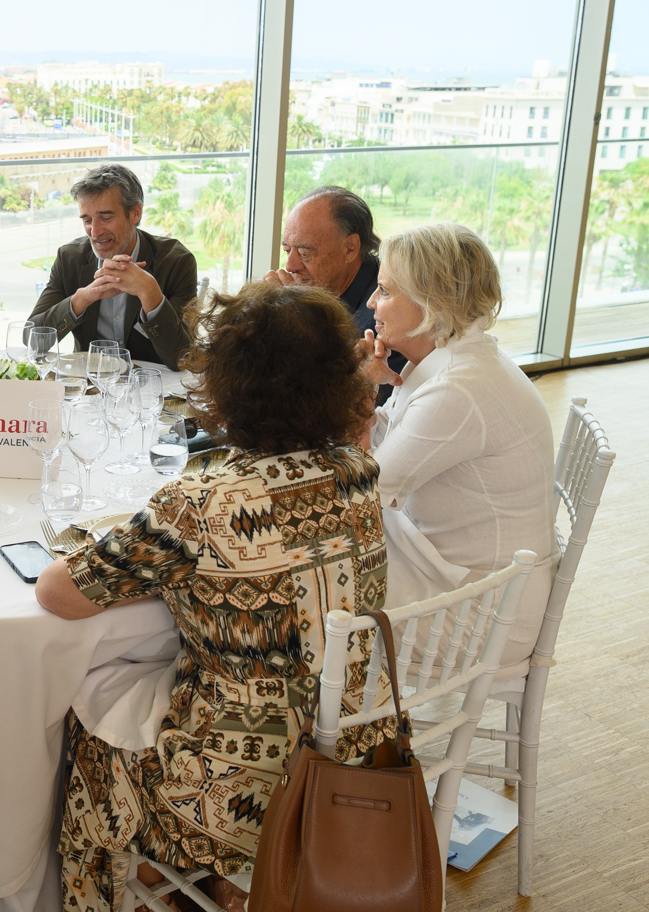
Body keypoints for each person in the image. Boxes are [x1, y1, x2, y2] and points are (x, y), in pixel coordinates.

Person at [36, 282, 395, 912]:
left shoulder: (200, 503)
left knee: (87, 727)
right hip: (352, 766)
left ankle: (133, 887)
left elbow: (59, 594)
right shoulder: (359, 472)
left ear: (226, 380)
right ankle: (212, 885)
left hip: (232, 799)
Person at [361, 222, 554, 667]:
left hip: (485, 616)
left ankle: (320, 725)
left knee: (303, 589)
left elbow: (363, 494)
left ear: (431, 304)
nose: (371, 303)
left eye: (385, 291)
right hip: (460, 574)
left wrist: (359, 395)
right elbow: (376, 448)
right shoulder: (446, 359)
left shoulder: (458, 388)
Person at [28, 163, 196, 369]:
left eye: (105, 217)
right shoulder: (70, 258)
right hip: (89, 386)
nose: (95, 232)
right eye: (87, 220)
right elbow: (32, 339)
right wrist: (81, 299)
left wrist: (150, 293)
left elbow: (183, 358)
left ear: (135, 213)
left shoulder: (176, 262)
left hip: (151, 387)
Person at [264, 185, 405, 400]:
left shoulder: (382, 317)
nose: (290, 265)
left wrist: (293, 321)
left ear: (350, 248)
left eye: (304, 253)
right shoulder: (324, 294)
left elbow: (319, 404)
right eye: (287, 251)